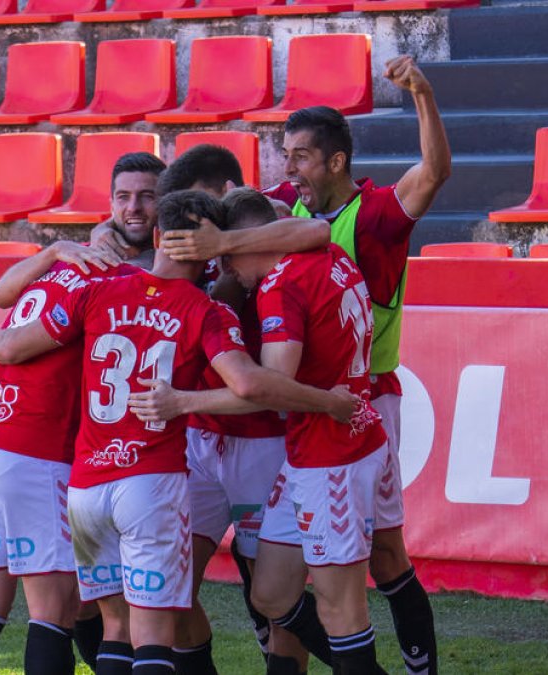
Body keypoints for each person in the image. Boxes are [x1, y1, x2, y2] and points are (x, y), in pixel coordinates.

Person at [0, 190, 359, 675]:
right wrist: (326, 401)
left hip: (88, 484)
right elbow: (249, 384)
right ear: (212, 250)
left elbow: (13, 341)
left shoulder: (101, 285)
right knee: (155, 637)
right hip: (150, 482)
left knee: (115, 626)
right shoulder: (207, 310)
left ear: (157, 236)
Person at [161, 56, 451, 675]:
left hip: (350, 406)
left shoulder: (369, 218)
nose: (286, 169)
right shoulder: (289, 213)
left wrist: (423, 93)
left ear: (336, 161)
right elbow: (273, 221)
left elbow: (433, 174)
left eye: (297, 156)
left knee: (377, 566)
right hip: (319, 419)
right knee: (276, 589)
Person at [133, 187, 391, 674]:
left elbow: (266, 385)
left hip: (332, 453)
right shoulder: (326, 251)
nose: (226, 271)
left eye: (229, 258)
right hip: (313, 449)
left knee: (341, 608)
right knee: (270, 594)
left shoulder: (279, 285)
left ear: (250, 241)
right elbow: (313, 227)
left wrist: (181, 402)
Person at [0, 153, 165, 675]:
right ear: (109, 203)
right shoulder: (108, 275)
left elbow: (0, 295)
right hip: (31, 449)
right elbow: (9, 341)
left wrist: (53, 253)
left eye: (146, 197)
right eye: (123, 197)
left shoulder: (74, 260)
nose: (133, 207)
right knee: (56, 611)